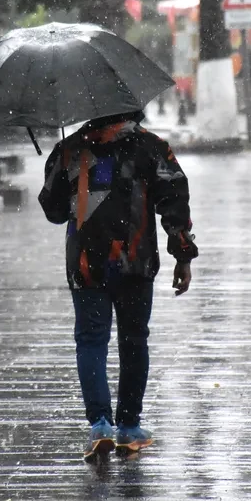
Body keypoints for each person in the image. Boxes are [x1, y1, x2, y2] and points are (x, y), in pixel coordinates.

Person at [38, 109, 196, 461]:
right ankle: (128, 427)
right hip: (134, 261)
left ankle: (100, 425)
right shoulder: (151, 147)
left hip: (85, 264)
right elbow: (174, 202)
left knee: (91, 339)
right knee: (134, 340)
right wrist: (182, 254)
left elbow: (53, 210)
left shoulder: (71, 149)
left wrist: (63, 166)